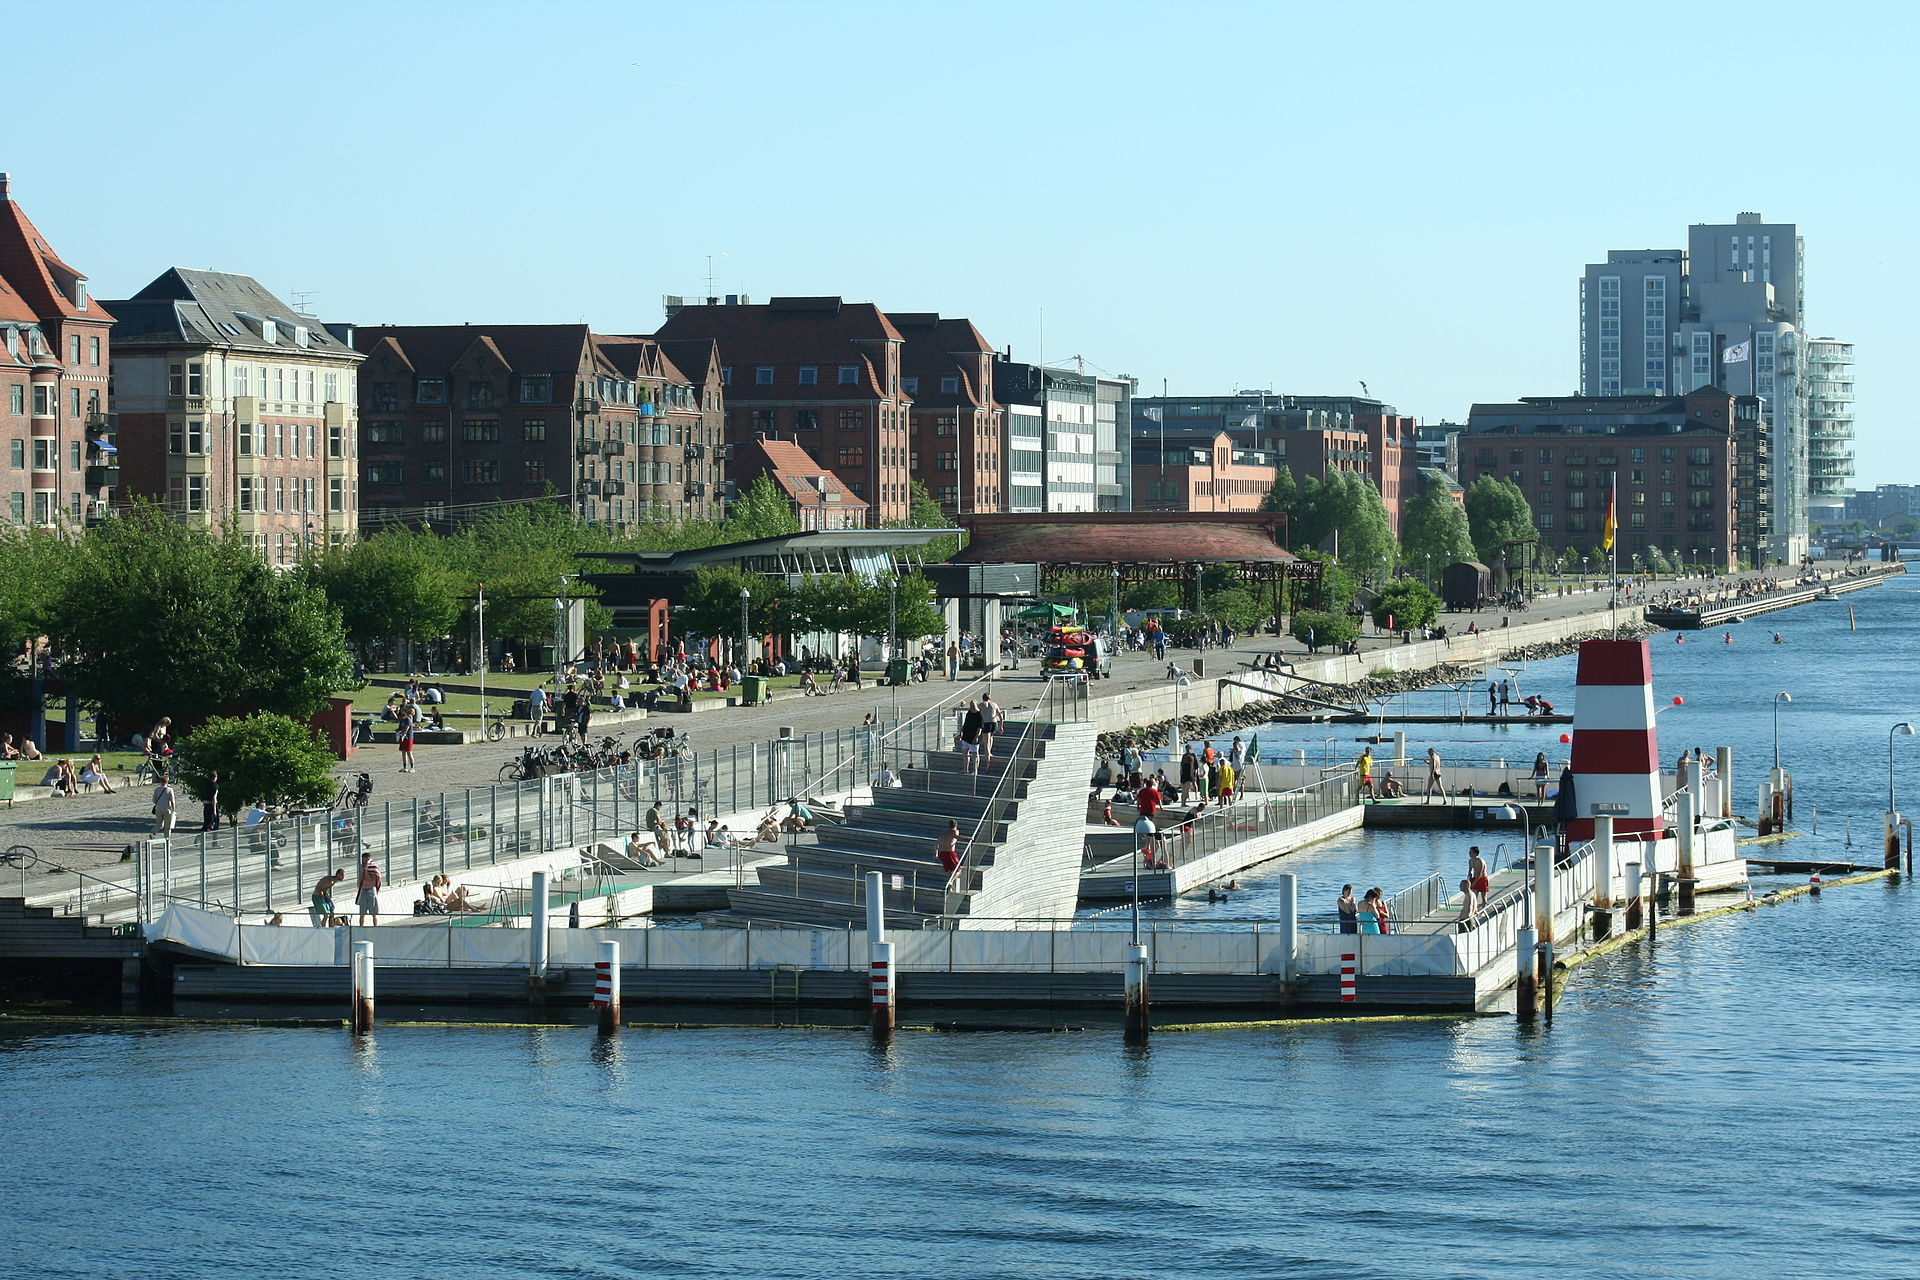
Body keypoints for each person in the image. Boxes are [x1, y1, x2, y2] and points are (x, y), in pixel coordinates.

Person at [355, 851, 383, 924]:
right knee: (362, 913)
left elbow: (372, 880)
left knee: (374, 912)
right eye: (364, 859)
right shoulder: (361, 866)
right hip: (363, 889)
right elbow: (361, 878)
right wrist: (363, 870)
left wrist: (366, 870)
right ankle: (361, 927)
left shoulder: (373, 867)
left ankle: (375, 927)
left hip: (371, 889)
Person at [957, 701, 984, 775]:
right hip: (966, 736)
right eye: (971, 705)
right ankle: (965, 769)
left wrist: (976, 737)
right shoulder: (969, 712)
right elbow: (965, 723)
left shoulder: (979, 715)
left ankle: (975, 771)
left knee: (975, 754)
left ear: (976, 705)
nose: (972, 707)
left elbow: (980, 728)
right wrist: (961, 732)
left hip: (973, 738)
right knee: (965, 753)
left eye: (973, 705)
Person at [978, 693, 1003, 764]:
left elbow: (976, 714)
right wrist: (1001, 726)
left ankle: (988, 760)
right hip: (994, 723)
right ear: (990, 698)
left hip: (986, 723)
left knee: (986, 743)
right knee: (991, 737)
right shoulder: (994, 704)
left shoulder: (981, 705)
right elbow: (1001, 717)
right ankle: (990, 752)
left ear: (983, 698)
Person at [152, 773, 178, 837]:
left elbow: (154, 800)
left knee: (159, 824)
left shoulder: (157, 789)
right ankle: (167, 841)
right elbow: (172, 801)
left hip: (158, 809)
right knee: (167, 827)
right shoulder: (170, 790)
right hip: (167, 809)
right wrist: (173, 810)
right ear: (167, 781)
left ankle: (153, 832)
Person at [1467, 845, 1491, 912]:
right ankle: (1475, 911)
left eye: (1471, 852)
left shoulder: (1480, 861)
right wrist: (1469, 878)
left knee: (1483, 897)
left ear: (1475, 853)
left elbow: (1480, 874)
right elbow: (1470, 870)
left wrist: (1474, 883)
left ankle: (1483, 910)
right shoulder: (1470, 861)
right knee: (1474, 896)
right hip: (1475, 878)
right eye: (1469, 852)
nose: (1469, 853)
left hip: (1482, 879)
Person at [396, 701, 417, 773]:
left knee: (409, 752)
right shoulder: (402, 720)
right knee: (403, 752)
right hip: (403, 737)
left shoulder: (408, 720)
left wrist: (402, 734)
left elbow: (406, 728)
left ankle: (412, 767)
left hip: (408, 737)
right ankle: (405, 767)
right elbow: (400, 728)